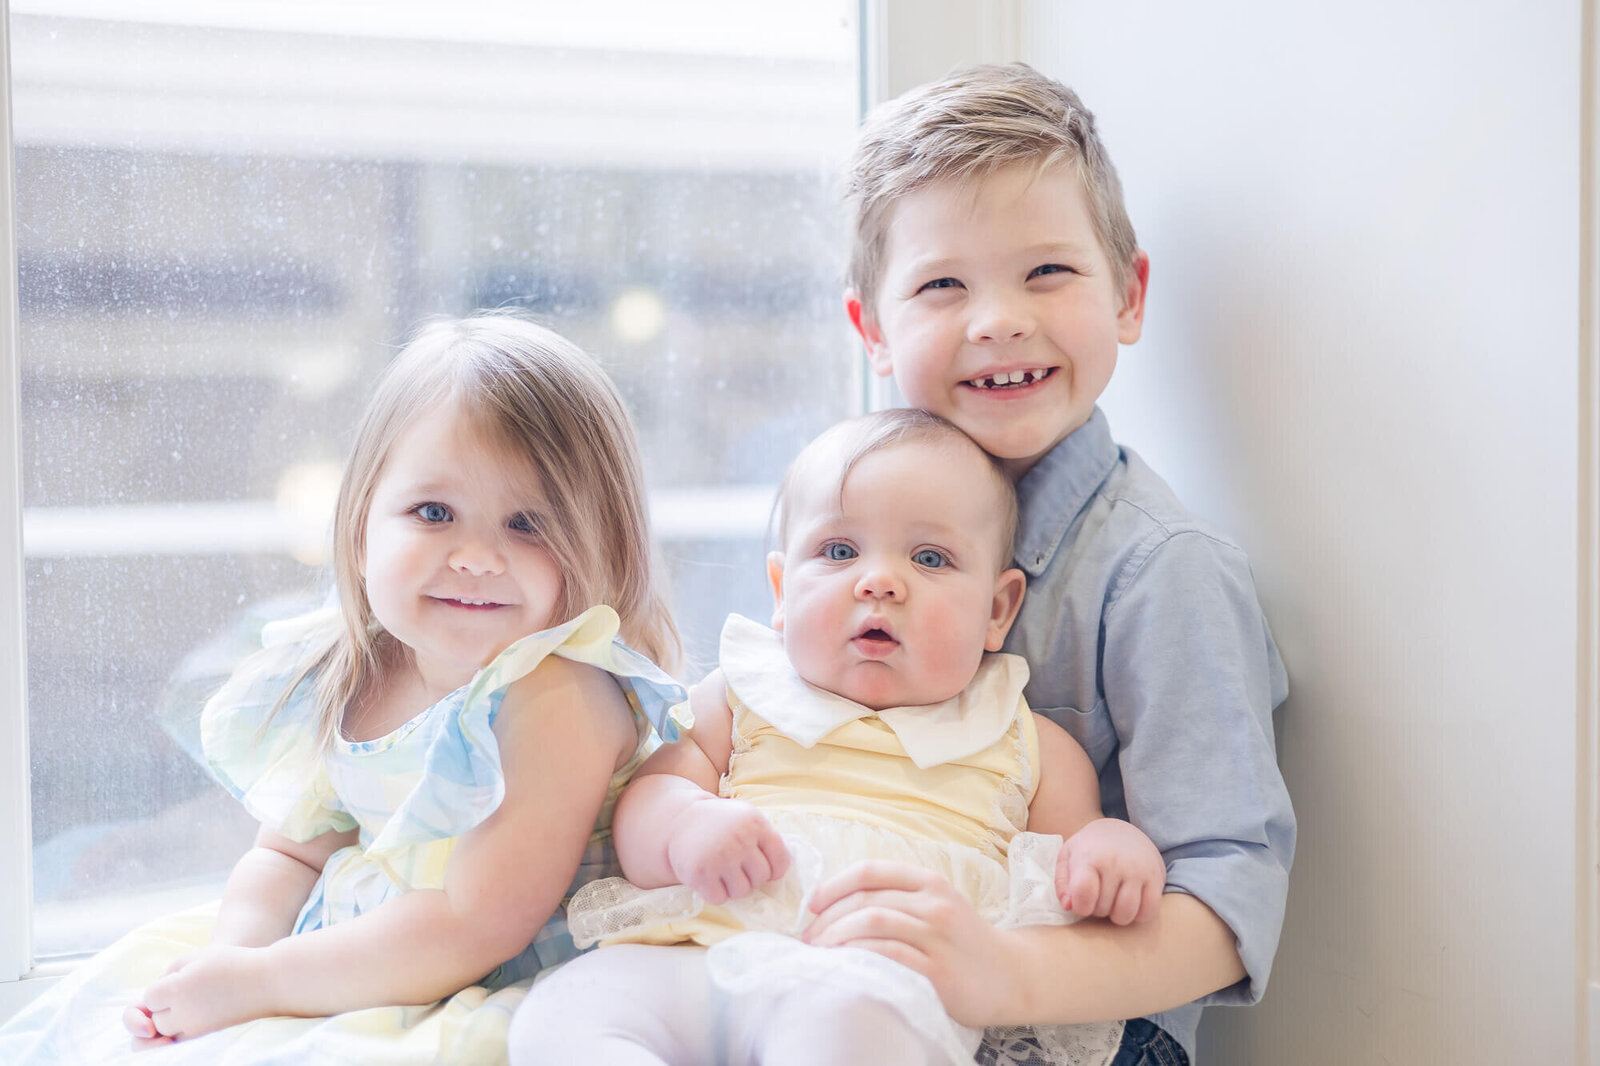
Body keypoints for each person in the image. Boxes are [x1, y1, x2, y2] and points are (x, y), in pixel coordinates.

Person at [0, 314, 686, 1065]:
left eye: (527, 524)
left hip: (493, 988)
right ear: (362, 528)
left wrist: (259, 981)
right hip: (348, 966)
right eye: (434, 513)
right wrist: (229, 960)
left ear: (602, 539)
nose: (478, 555)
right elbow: (290, 855)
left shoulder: (557, 694)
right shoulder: (363, 667)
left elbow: (475, 925)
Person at [827, 64, 1294, 1066]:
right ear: (871, 329)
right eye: (942, 283)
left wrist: (1004, 970)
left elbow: (1224, 910)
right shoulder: (846, 531)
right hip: (872, 990)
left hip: (1070, 1030)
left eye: (1047, 272)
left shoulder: (1162, 573)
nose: (998, 318)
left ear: (1127, 295)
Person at [508, 409, 1168, 1066]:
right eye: (840, 551)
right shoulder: (742, 695)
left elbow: (1078, 843)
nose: (877, 581)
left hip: (873, 981)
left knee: (848, 1030)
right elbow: (651, 798)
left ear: (997, 610)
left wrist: (1113, 855)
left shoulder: (1026, 738)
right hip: (703, 953)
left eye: (930, 558)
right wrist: (685, 829)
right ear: (782, 591)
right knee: (566, 1009)